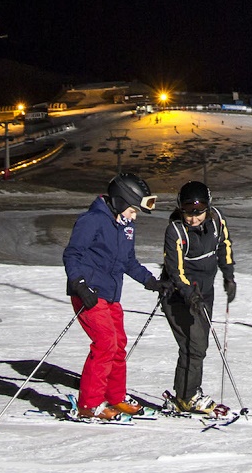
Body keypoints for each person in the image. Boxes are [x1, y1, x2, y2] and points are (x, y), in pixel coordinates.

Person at [62, 173, 163, 421]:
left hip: (111, 295)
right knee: (105, 343)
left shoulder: (125, 224)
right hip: (88, 294)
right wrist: (80, 285)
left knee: (118, 345)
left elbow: (128, 261)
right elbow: (72, 254)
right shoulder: (92, 220)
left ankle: (116, 398)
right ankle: (89, 405)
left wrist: (151, 281)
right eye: (132, 210)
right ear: (119, 201)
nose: (134, 216)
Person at [160, 181, 236, 415]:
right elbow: (176, 270)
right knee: (194, 344)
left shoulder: (216, 220)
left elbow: (224, 245)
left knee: (196, 346)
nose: (193, 219)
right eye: (188, 213)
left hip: (204, 293)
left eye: (198, 213)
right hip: (178, 296)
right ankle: (188, 395)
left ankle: (185, 394)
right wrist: (189, 294)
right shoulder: (176, 230)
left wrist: (228, 275)